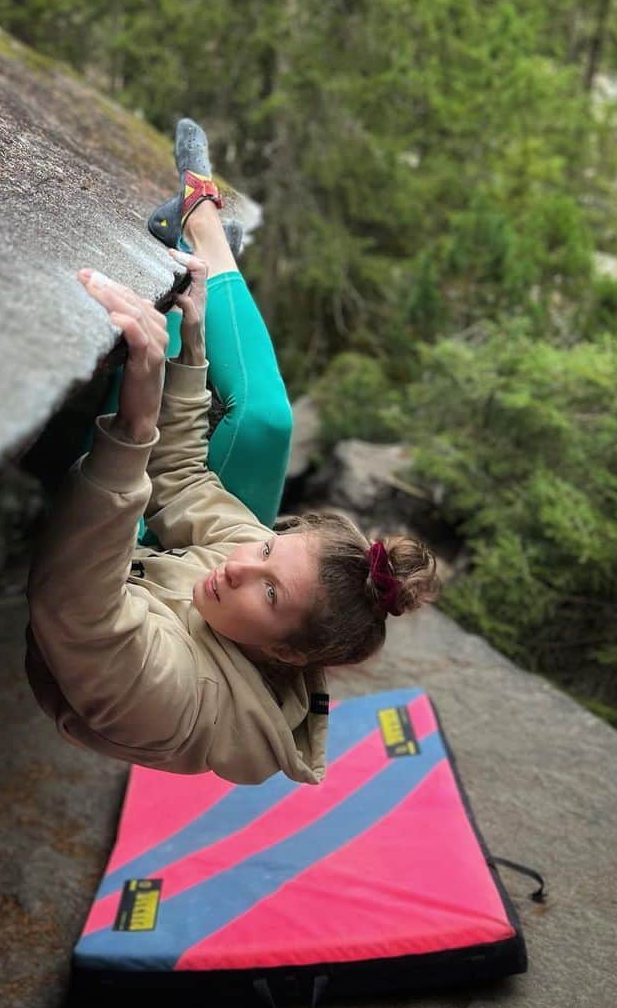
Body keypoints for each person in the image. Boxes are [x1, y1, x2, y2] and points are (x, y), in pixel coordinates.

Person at [25, 120, 439, 785]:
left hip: (85, 620)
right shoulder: (248, 572)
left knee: (138, 396)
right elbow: (185, 482)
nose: (244, 566)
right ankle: (209, 255)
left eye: (270, 592)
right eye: (271, 550)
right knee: (266, 422)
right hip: (152, 583)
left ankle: (208, 246)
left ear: (285, 652)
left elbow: (75, 609)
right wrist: (190, 352)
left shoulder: (183, 704)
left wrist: (137, 418)